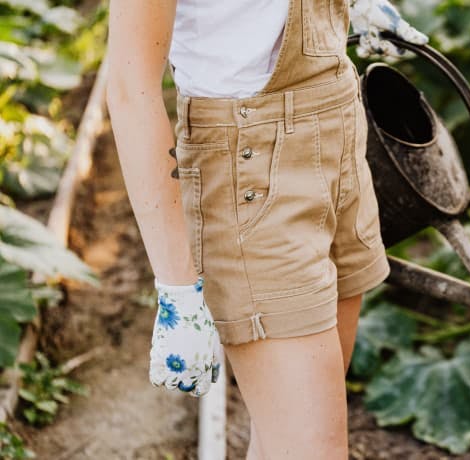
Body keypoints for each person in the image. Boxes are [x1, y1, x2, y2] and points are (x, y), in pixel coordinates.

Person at [105, 0, 427, 458]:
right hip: (250, 168)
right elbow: (128, 86)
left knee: (287, 441)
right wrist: (176, 287)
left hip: (336, 131)